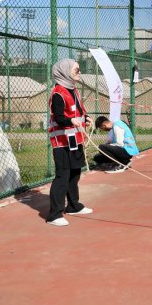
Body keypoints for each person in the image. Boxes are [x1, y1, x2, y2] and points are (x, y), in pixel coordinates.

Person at [46, 59, 92, 227]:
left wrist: (85, 118)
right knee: (62, 176)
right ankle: (54, 214)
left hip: (75, 139)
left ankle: (73, 206)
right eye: (76, 70)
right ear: (65, 71)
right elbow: (58, 117)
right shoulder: (58, 92)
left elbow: (78, 110)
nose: (79, 72)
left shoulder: (74, 90)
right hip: (62, 142)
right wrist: (70, 121)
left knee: (75, 173)